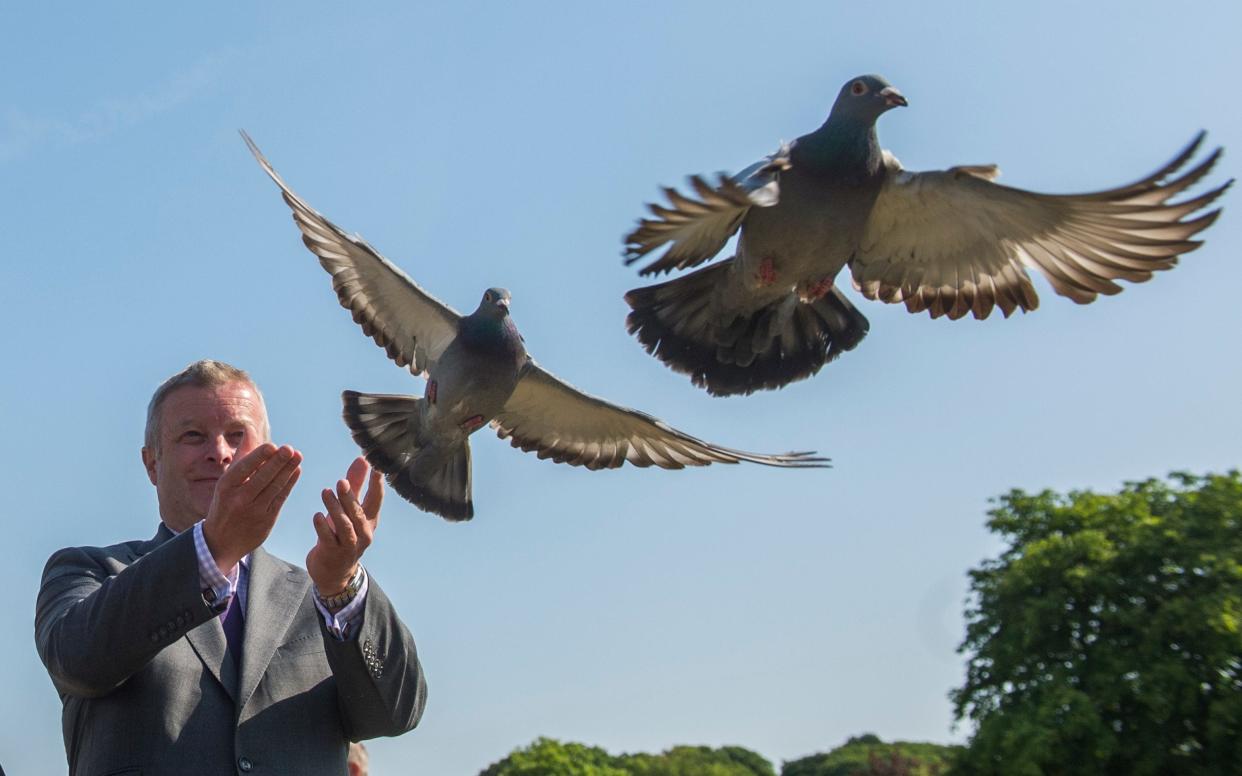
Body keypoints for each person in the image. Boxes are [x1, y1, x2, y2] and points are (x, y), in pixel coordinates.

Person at [35, 360, 427, 776]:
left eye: (237, 435)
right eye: (193, 436)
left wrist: (341, 587)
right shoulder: (90, 571)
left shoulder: (318, 596)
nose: (219, 452)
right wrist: (213, 548)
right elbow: (78, 662)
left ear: (267, 454)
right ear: (152, 463)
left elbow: (394, 713)